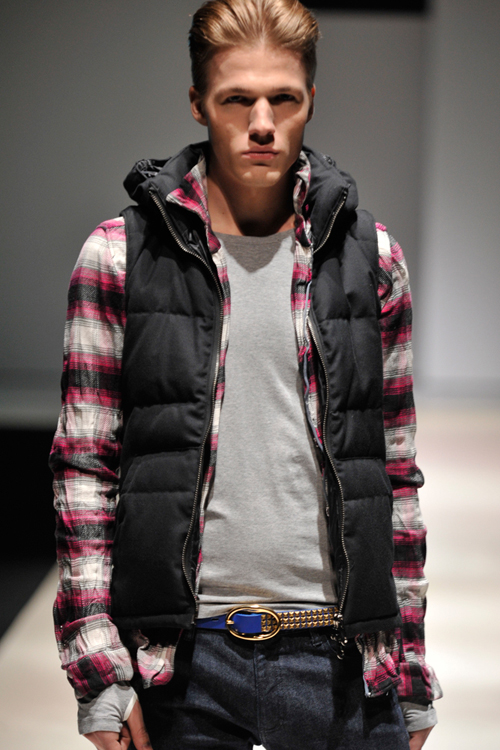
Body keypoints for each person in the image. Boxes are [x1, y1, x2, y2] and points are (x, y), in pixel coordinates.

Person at [50, 1, 442, 748]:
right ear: (198, 103)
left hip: (343, 660)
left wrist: (411, 665)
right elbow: (84, 469)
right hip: (180, 662)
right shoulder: (119, 256)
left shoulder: (371, 258)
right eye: (237, 99)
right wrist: (98, 667)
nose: (262, 123)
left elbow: (394, 473)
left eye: (282, 98)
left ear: (310, 102)